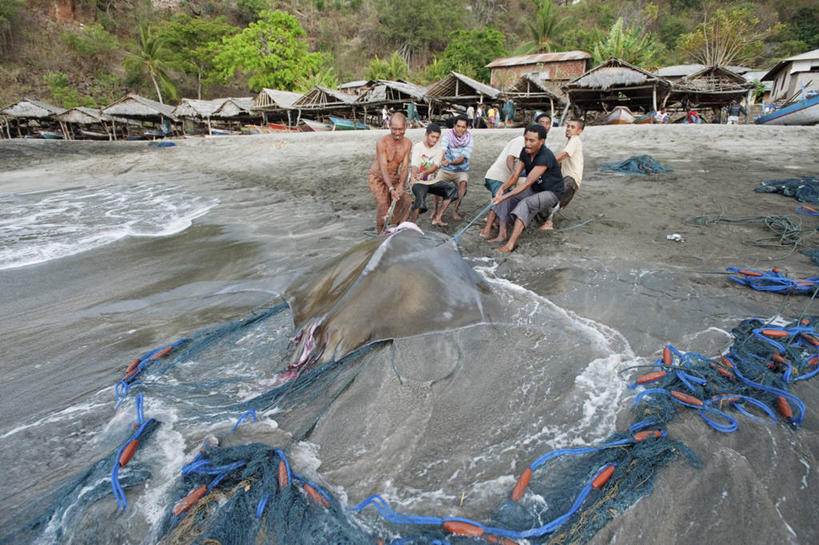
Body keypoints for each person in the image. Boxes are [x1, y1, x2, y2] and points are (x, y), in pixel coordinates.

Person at [479, 123, 563, 252]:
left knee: (525, 204)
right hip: (536, 188)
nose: (528, 143)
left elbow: (527, 183)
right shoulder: (525, 152)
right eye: (526, 139)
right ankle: (501, 236)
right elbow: (515, 176)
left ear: (542, 141)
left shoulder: (545, 156)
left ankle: (510, 245)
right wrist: (502, 189)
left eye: (532, 140)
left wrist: (504, 195)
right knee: (505, 200)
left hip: (551, 192)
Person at [483, 113, 552, 199]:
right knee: (501, 205)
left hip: (509, 181)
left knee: (503, 205)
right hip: (499, 177)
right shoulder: (522, 140)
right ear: (536, 124)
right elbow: (510, 158)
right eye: (542, 123)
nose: (544, 126)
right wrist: (514, 173)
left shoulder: (540, 144)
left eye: (547, 123)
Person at [367, 112, 412, 233]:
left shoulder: (407, 143)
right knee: (383, 204)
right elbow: (383, 167)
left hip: (393, 177)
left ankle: (398, 230)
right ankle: (380, 234)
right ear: (389, 127)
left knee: (406, 200)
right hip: (377, 177)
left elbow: (404, 167)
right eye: (394, 129)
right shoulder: (382, 143)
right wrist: (391, 189)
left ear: (406, 127)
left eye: (400, 129)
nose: (397, 133)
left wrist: (401, 185)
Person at [408, 124, 458, 226]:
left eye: (437, 138)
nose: (435, 140)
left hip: (431, 181)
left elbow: (435, 166)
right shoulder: (418, 146)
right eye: (432, 137)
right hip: (418, 181)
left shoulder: (439, 149)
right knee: (420, 200)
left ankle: (438, 217)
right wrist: (414, 177)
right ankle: (411, 224)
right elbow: (415, 165)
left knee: (452, 189)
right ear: (426, 134)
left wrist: (425, 173)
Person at [540, 118, 584, 231]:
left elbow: (563, 155)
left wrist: (546, 164)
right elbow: (561, 162)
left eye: (572, 127)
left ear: (579, 131)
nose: (568, 128)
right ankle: (546, 219)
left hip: (571, 178)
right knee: (552, 196)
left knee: (556, 198)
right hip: (568, 178)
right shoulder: (570, 142)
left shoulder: (575, 140)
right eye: (568, 126)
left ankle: (549, 223)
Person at [435, 115, 473, 220]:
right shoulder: (447, 136)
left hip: (461, 169)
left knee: (463, 183)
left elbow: (461, 159)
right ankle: (435, 210)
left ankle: (455, 211)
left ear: (466, 128)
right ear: (454, 126)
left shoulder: (469, 139)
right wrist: (442, 161)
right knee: (436, 184)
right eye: (458, 126)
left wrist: (449, 163)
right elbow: (443, 150)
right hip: (445, 169)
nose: (460, 129)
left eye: (463, 127)